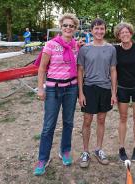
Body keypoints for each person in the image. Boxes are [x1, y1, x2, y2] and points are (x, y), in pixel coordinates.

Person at [33, 13, 80, 176]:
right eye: (65, 25)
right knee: (48, 126)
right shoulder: (51, 45)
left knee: (68, 122)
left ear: (75, 29)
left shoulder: (76, 45)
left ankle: (65, 151)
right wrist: (41, 88)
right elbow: (42, 68)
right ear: (61, 27)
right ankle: (43, 159)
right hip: (53, 89)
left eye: (71, 26)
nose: (68, 28)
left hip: (71, 88)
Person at [77, 18, 117, 168]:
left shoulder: (111, 49)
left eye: (102, 29)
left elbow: (113, 71)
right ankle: (85, 151)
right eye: (96, 29)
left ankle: (98, 149)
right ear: (91, 31)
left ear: (105, 30)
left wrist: (114, 92)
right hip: (89, 88)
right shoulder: (84, 49)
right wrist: (80, 93)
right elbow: (80, 71)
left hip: (105, 89)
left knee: (101, 120)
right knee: (87, 120)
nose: (99, 31)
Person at [113, 22, 135, 162]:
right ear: (118, 36)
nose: (124, 34)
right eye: (122, 33)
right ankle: (121, 147)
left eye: (127, 32)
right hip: (123, 88)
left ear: (131, 33)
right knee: (123, 118)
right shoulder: (115, 50)